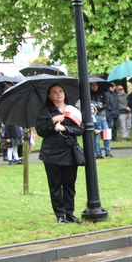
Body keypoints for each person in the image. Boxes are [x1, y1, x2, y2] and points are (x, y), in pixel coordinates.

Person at [35, 84, 84, 224]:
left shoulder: (72, 110)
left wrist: (65, 128)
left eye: (60, 91)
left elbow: (80, 129)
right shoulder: (45, 111)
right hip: (51, 153)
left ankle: (70, 213)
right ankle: (60, 215)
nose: (58, 94)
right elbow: (41, 131)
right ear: (50, 96)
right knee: (55, 185)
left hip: (69, 151)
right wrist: (52, 122)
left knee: (69, 184)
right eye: (54, 92)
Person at [103, 82, 119, 158]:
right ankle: (110, 137)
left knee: (115, 125)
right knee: (110, 126)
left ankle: (114, 137)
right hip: (110, 112)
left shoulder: (115, 94)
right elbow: (107, 103)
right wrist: (111, 110)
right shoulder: (107, 94)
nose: (113, 88)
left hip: (116, 112)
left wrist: (117, 110)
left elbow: (117, 103)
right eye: (112, 87)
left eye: (114, 87)